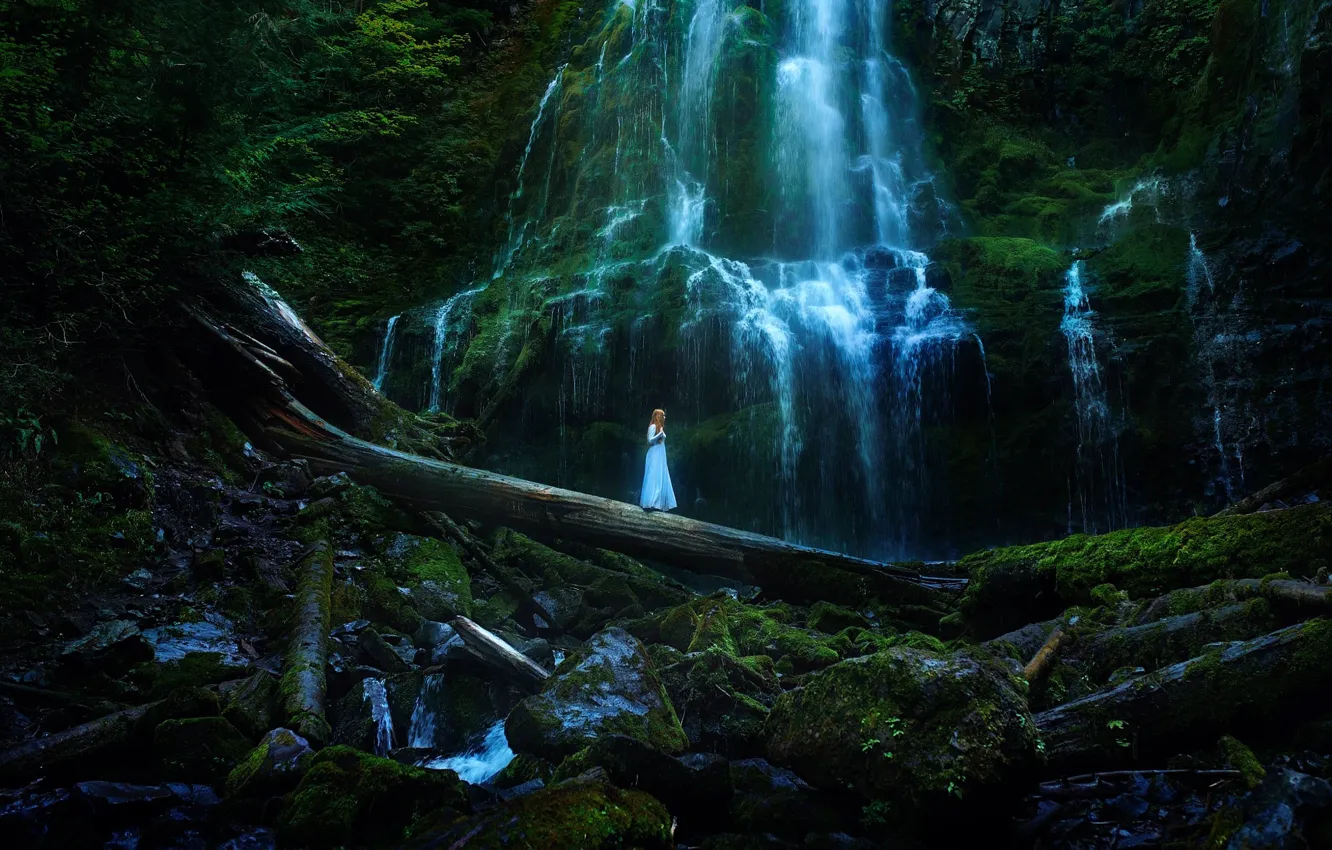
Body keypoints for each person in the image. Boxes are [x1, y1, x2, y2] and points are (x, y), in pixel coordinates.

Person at [640, 408, 677, 512]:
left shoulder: (660, 428)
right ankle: (650, 503)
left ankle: (657, 503)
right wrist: (659, 434)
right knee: (653, 476)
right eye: (663, 415)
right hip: (654, 454)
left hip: (660, 455)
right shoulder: (653, 427)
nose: (665, 417)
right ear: (659, 416)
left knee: (660, 477)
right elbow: (650, 440)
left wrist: (661, 433)